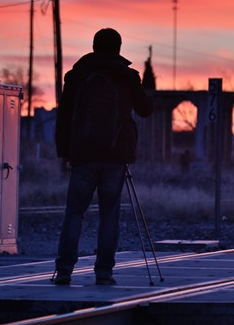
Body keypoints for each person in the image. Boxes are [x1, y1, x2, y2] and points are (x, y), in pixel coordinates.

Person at [52, 28, 153, 285]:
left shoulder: (76, 75)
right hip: (115, 156)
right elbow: (145, 109)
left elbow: (63, 116)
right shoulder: (127, 76)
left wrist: (64, 151)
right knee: (110, 214)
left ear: (94, 46)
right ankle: (104, 272)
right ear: (118, 48)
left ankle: (64, 270)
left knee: (74, 213)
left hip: (83, 155)